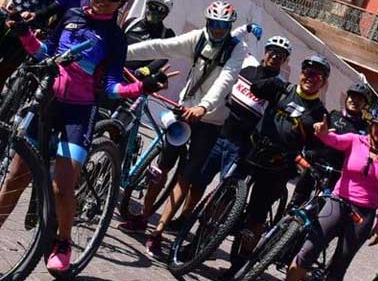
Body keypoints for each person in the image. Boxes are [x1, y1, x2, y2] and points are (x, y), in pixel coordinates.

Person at [0, 0, 175, 273]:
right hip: (47, 104)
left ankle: (63, 241)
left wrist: (140, 86)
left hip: (79, 113)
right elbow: (44, 52)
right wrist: (25, 33)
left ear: (123, 2)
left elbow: (110, 86)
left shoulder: (115, 37)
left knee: (60, 187)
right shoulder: (71, 15)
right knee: (15, 178)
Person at [124, 35, 292, 236]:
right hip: (220, 130)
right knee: (198, 181)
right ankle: (182, 218)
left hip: (242, 144)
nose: (274, 56)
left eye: (280, 55)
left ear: (285, 60)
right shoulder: (245, 68)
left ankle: (202, 236)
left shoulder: (280, 87)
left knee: (225, 192)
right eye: (271, 51)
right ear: (265, 52)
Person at [122, 1, 249, 256]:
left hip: (210, 120)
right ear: (207, 23)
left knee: (186, 177)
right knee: (161, 168)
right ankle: (143, 217)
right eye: (213, 24)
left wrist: (203, 108)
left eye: (222, 26)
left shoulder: (237, 49)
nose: (217, 30)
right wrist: (121, 52)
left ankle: (158, 232)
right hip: (183, 112)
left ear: (229, 26)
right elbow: (160, 46)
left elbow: (226, 80)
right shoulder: (198, 39)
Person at [221, 54, 332, 281]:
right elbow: (256, 89)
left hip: (279, 166)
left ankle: (237, 266)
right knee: (223, 197)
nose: (311, 78)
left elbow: (315, 149)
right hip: (253, 151)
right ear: (301, 74)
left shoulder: (320, 113)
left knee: (256, 217)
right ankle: (200, 239)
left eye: (317, 76)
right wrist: (272, 82)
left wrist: (320, 137)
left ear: (323, 83)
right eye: (308, 72)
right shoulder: (283, 89)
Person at [281, 104, 378, 281]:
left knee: (339, 266)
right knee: (308, 250)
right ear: (371, 124)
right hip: (337, 202)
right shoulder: (355, 140)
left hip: (363, 215)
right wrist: (322, 133)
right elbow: (333, 140)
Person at [290, 82, 372, 207]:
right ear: (347, 98)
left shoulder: (365, 129)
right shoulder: (332, 115)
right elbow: (315, 136)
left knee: (321, 211)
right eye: (352, 97)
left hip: (338, 175)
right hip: (316, 166)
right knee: (295, 203)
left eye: (360, 99)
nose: (354, 101)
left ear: (365, 104)